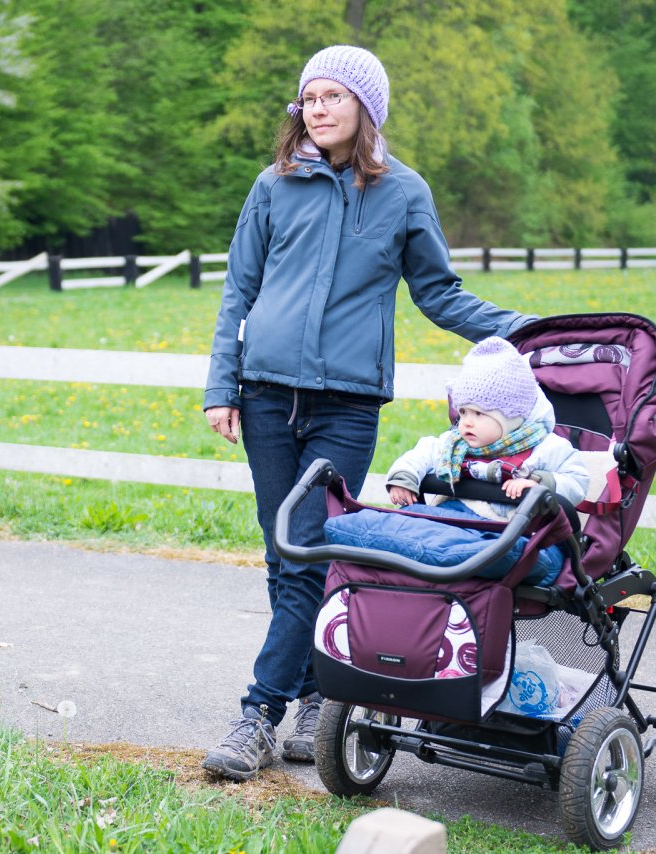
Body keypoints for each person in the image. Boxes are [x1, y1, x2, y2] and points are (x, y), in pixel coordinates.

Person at [201, 44, 533, 782]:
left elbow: (440, 294)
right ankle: (316, 698)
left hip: (346, 405)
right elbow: (238, 291)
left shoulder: (404, 192)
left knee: (307, 549)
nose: (317, 109)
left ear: (366, 108)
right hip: (265, 395)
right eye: (309, 98)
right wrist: (222, 385)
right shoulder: (274, 185)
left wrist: (530, 330)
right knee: (286, 553)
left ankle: (259, 713)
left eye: (334, 97)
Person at [378, 335, 589, 583]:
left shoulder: (547, 448)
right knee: (405, 525)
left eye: (478, 413)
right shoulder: (454, 443)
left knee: (492, 552)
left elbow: (578, 480)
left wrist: (540, 483)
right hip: (455, 522)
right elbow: (423, 453)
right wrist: (404, 477)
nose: (466, 422)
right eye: (463, 411)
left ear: (511, 416)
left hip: (514, 532)